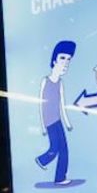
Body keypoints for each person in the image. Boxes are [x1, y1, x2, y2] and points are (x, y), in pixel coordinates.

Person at [35, 40, 75, 184]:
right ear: (54, 60)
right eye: (62, 58)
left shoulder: (60, 83)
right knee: (56, 147)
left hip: (57, 120)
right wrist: (42, 126)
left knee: (63, 149)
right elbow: (40, 104)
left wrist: (68, 122)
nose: (65, 63)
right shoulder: (45, 81)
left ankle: (59, 177)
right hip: (49, 121)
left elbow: (62, 104)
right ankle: (42, 161)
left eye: (68, 59)